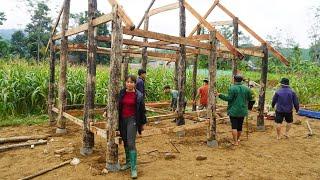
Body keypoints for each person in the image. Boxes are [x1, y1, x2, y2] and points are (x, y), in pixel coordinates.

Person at [119, 75, 147, 179]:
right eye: (127, 82)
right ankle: (128, 163)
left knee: (131, 143)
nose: (129, 84)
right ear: (125, 83)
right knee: (126, 141)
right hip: (122, 120)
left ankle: (134, 168)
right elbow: (117, 105)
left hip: (133, 120)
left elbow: (142, 110)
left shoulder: (138, 95)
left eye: (131, 82)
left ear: (135, 83)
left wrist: (143, 123)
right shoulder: (122, 93)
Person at [215, 75, 253, 146]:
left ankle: (235, 141)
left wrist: (220, 95)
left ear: (234, 80)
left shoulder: (232, 88)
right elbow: (251, 98)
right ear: (241, 80)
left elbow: (229, 98)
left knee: (234, 126)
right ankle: (238, 139)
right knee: (240, 126)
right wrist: (248, 106)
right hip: (242, 110)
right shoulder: (247, 89)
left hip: (233, 110)